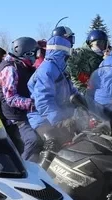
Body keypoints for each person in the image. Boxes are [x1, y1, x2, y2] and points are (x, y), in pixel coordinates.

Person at [27, 26, 81, 169]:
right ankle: (41, 176)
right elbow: (43, 99)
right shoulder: (48, 68)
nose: (73, 42)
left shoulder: (60, 67)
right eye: (71, 39)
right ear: (65, 41)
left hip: (60, 116)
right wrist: (59, 121)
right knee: (54, 141)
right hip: (41, 117)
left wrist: (86, 105)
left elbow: (72, 93)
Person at [0, 37, 43, 162]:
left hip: (27, 113)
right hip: (15, 117)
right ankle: (26, 169)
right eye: (36, 54)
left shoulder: (25, 66)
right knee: (33, 141)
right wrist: (32, 103)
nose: (37, 57)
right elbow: (11, 98)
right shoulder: (10, 69)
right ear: (26, 53)